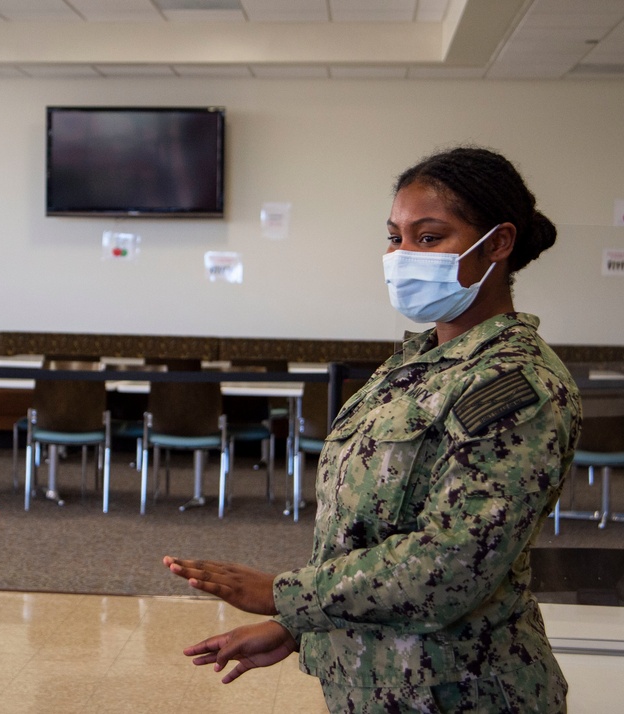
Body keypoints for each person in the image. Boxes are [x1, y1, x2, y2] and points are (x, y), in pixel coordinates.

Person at [164, 147, 582, 713]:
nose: (404, 255)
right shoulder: (415, 364)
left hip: (462, 691)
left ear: (499, 244)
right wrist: (298, 629)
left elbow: (453, 563)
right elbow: (370, 532)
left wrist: (285, 597)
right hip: (378, 682)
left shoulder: (512, 384)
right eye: (395, 237)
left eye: (429, 238)